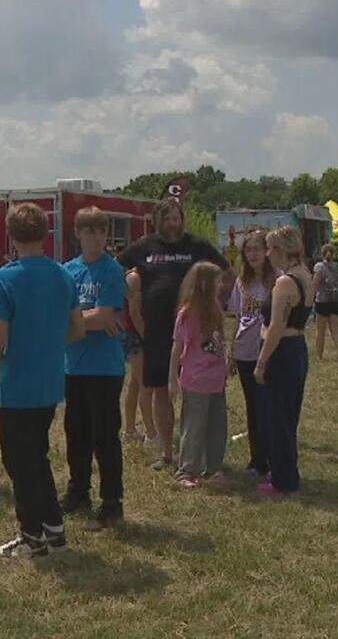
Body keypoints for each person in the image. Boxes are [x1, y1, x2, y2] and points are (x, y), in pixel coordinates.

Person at [0, 203, 85, 559]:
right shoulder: (63, 276)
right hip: (50, 382)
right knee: (38, 457)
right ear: (45, 234)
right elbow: (78, 328)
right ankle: (54, 530)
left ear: (10, 236)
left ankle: (31, 537)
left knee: (19, 464)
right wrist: (51, 344)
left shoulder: (4, 279)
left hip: (17, 386)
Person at [119, 199, 230, 471]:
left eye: (176, 217)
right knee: (160, 391)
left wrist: (219, 305)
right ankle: (167, 452)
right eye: (167, 218)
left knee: (198, 391)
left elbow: (227, 272)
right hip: (155, 333)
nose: (173, 223)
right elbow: (115, 268)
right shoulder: (144, 247)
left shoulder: (198, 246)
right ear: (157, 222)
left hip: (194, 333)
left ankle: (197, 453)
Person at [60, 207, 126, 530]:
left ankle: (112, 502)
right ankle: (78, 491)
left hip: (105, 367)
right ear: (78, 233)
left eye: (102, 232)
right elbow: (70, 315)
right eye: (91, 232)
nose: (97, 238)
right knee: (76, 432)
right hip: (74, 365)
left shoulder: (111, 271)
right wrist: (88, 321)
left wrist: (77, 322)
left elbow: (105, 316)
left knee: (105, 435)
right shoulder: (68, 271)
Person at [254, 226, 313, 496]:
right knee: (288, 415)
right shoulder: (305, 275)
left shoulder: (285, 282)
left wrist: (261, 361)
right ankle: (286, 471)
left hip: (282, 351)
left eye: (270, 248)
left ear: (281, 249)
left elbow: (276, 326)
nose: (267, 254)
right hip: (297, 348)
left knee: (277, 418)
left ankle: (282, 479)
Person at [169, 262, 228, 488]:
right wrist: (172, 378)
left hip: (215, 380)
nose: (220, 285)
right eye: (217, 280)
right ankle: (187, 470)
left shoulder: (215, 308)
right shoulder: (187, 314)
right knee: (194, 426)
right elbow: (177, 347)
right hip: (195, 380)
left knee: (217, 426)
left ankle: (213, 467)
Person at [227, 229, 275, 477]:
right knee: (252, 407)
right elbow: (238, 317)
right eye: (249, 250)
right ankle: (256, 459)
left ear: (266, 252)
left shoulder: (276, 279)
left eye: (257, 249)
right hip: (244, 349)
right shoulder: (241, 281)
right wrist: (231, 351)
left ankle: (271, 458)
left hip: (265, 350)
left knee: (268, 405)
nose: (253, 254)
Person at [121, 269, 156, 443]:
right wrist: (147, 338)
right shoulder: (133, 278)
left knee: (135, 382)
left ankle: (129, 430)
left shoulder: (149, 275)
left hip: (140, 333)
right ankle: (152, 434)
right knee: (145, 383)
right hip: (134, 334)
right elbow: (134, 313)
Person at [312, 244, 338, 361]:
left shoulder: (319, 266)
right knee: (336, 329)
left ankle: (319, 355)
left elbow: (315, 284)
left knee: (320, 330)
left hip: (323, 301)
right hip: (337, 300)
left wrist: (310, 297)